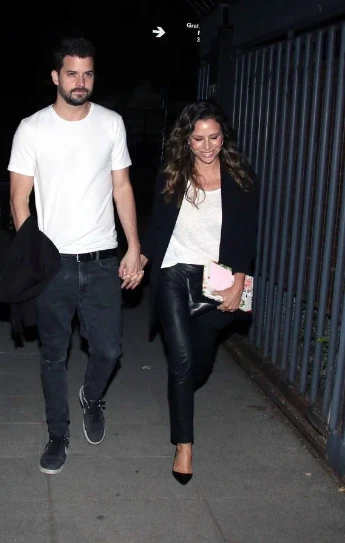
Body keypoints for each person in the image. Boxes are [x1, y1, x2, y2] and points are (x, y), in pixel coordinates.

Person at [7, 36, 144, 475]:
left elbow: (122, 186)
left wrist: (134, 247)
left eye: (87, 74)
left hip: (103, 260)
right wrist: (32, 254)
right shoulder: (32, 128)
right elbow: (19, 198)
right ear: (55, 77)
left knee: (109, 349)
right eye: (72, 73)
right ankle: (57, 433)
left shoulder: (111, 123)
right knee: (53, 354)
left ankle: (92, 396)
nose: (80, 82)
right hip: (54, 264)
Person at [140, 101, 258, 485]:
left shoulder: (241, 177)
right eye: (198, 139)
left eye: (214, 137)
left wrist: (238, 281)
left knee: (200, 365)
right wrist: (139, 257)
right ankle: (184, 446)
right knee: (182, 359)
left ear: (224, 137)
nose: (207, 146)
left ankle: (181, 395)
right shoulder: (172, 174)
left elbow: (245, 236)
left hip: (216, 279)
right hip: (173, 273)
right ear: (186, 140)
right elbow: (158, 227)